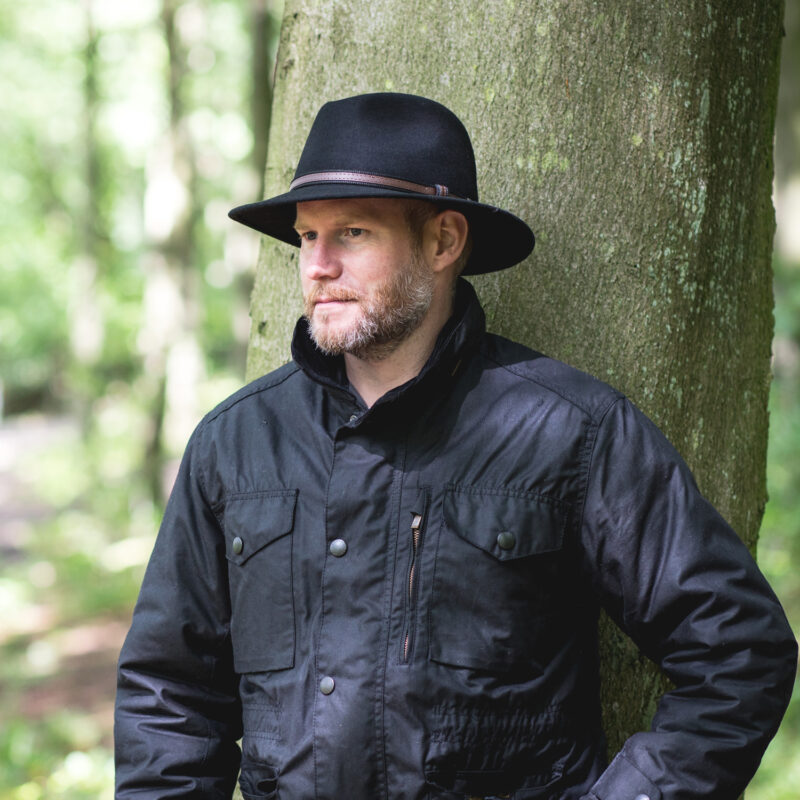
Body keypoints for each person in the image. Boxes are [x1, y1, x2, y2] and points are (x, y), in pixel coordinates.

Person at [114, 92, 796, 800]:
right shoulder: (236, 445)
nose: (316, 265)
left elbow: (738, 651)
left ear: (443, 242)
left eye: (351, 233)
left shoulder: (571, 433)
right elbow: (169, 697)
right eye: (306, 236)